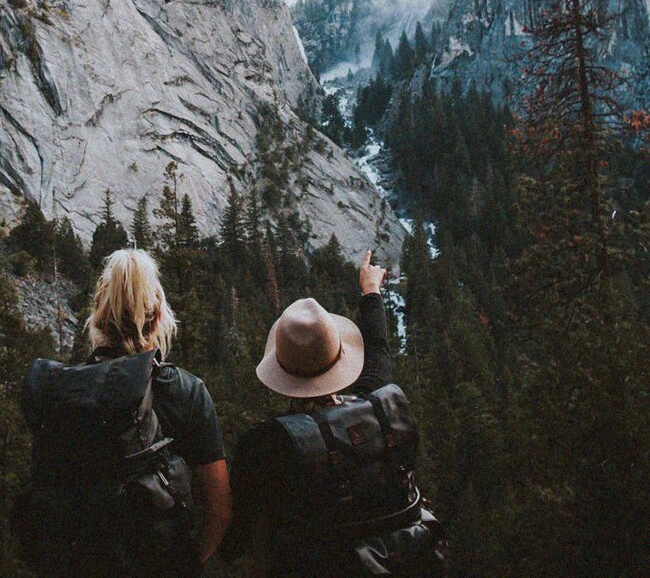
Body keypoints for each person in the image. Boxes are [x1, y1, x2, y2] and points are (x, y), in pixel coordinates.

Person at [222, 250, 446, 578]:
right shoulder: (374, 408)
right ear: (339, 360)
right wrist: (371, 291)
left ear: (280, 374)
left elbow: (236, 536)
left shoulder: (267, 444)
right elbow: (379, 352)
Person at [18, 247, 231, 578]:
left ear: (97, 318)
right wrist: (190, 562)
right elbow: (219, 507)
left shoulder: (64, 392)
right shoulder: (184, 389)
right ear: (159, 315)